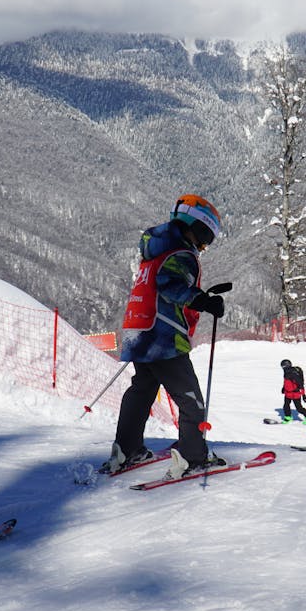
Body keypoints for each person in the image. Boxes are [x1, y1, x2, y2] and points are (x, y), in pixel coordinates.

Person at [102, 194, 228, 479]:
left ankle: (127, 449)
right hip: (162, 337)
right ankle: (192, 457)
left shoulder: (155, 251)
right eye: (206, 239)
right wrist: (204, 301)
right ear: (198, 228)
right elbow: (171, 285)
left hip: (139, 332)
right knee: (191, 399)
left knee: (142, 390)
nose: (204, 246)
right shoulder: (180, 253)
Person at [279, 359, 306, 424]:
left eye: (283, 366)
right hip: (288, 393)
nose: (282, 368)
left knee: (299, 408)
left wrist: (303, 395)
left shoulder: (293, 374)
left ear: (287, 366)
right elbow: (287, 382)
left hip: (295, 394)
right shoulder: (286, 373)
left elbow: (300, 385)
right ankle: (288, 417)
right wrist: (284, 388)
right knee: (286, 406)